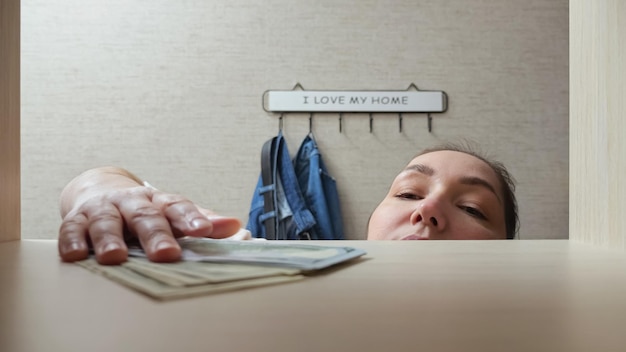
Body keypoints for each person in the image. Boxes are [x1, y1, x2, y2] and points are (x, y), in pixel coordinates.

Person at [58, 143, 518, 265]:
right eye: (407, 193)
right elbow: (107, 179)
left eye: (474, 208)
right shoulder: (271, 270)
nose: (428, 210)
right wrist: (98, 192)